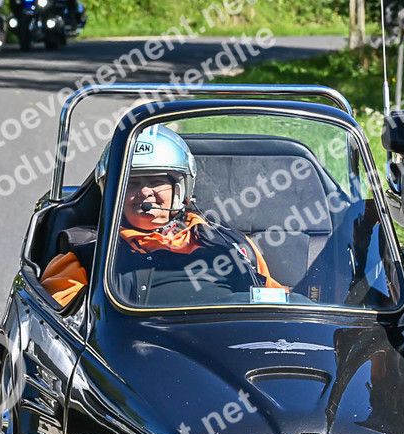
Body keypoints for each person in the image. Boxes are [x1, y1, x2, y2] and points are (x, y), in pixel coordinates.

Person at [40, 126, 284, 308]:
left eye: (156, 182)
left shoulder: (233, 244)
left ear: (181, 189)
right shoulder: (87, 254)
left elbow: (276, 305)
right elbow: (66, 327)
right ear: (113, 193)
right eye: (132, 183)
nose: (145, 193)